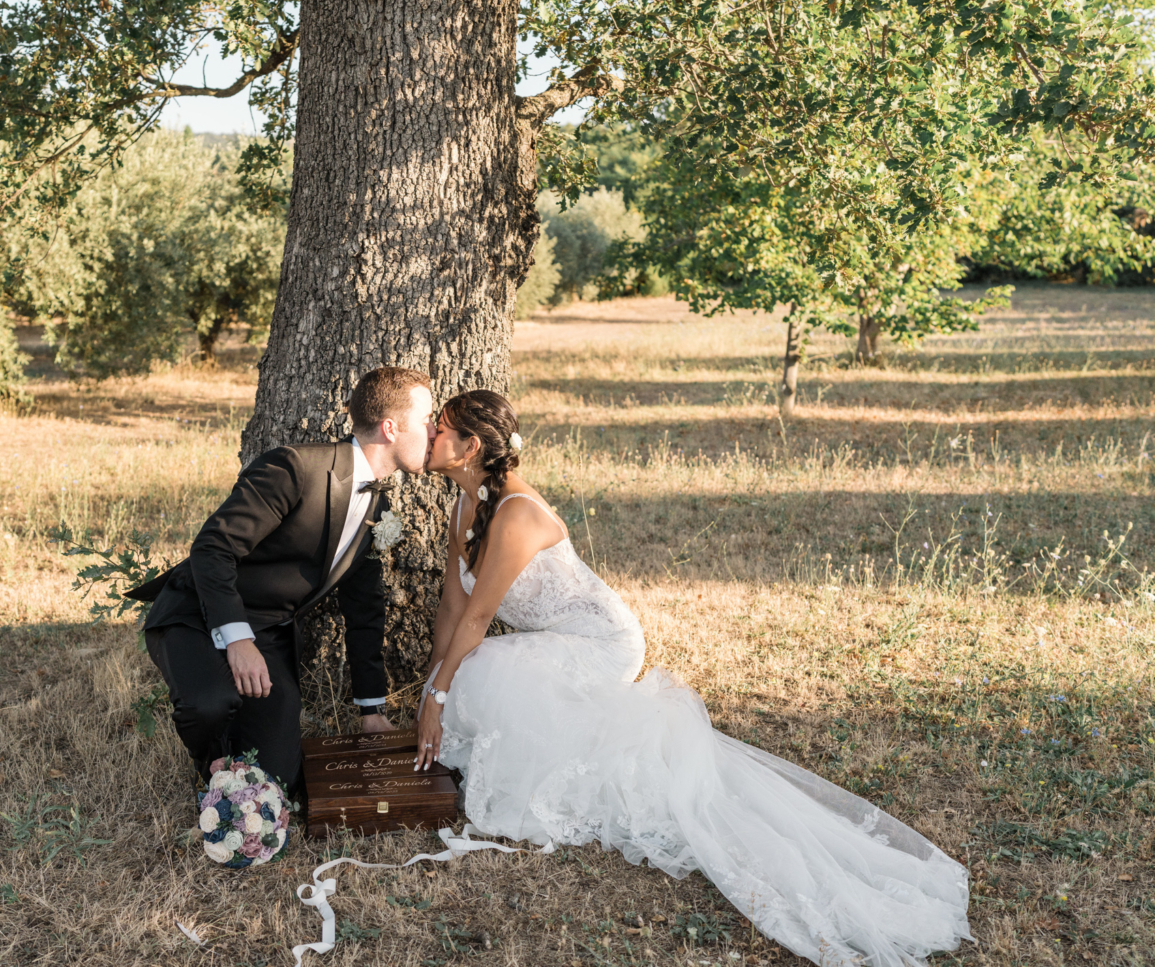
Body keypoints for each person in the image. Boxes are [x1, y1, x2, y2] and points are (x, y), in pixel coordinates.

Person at [413, 390, 971, 967]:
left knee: (486, 675)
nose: (428, 434)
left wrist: (443, 692)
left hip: (602, 642)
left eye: (440, 429)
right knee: (475, 676)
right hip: (556, 639)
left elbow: (480, 619)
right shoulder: (463, 506)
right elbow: (454, 608)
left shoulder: (516, 514)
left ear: (469, 447)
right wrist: (431, 684)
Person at [131, 366, 436, 795]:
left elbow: (364, 608)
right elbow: (212, 548)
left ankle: (241, 768)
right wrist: (236, 640)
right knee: (210, 705)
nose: (435, 430)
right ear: (390, 428)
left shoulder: (378, 507)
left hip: (270, 633)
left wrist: (371, 708)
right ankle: (214, 771)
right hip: (197, 615)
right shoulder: (295, 467)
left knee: (280, 783)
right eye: (427, 420)